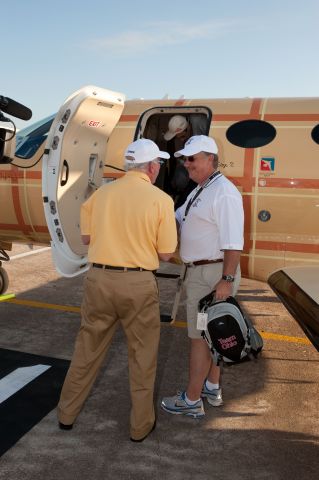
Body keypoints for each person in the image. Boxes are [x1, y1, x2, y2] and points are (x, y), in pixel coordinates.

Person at [57, 138, 177, 441]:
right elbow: (166, 255)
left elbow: (86, 239)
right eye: (158, 164)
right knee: (143, 356)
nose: (159, 168)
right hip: (137, 283)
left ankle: (66, 415)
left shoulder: (99, 195)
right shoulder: (161, 200)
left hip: (99, 280)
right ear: (151, 167)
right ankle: (139, 427)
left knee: (86, 352)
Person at [161, 135, 244, 418]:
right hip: (203, 272)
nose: (186, 164)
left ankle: (191, 400)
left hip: (213, 275)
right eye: (185, 159)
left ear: (210, 158)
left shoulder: (224, 192)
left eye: (192, 159)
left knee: (199, 338)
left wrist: (227, 280)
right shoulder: (201, 189)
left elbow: (234, 242)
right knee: (217, 334)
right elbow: (176, 218)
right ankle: (211, 386)